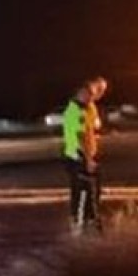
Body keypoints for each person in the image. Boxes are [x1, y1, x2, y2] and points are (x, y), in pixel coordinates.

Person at [61, 76, 108, 234]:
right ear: (80, 92)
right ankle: (79, 224)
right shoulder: (74, 110)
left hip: (86, 156)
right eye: (88, 94)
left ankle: (90, 220)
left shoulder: (87, 107)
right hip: (77, 157)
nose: (91, 97)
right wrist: (87, 159)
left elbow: (92, 129)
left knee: (92, 190)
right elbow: (79, 138)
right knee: (81, 192)